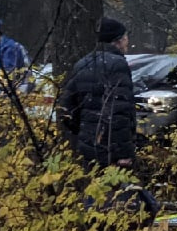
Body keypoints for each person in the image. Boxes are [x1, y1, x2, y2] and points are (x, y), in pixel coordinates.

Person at [58, 17, 137, 170]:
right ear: (118, 40)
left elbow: (66, 108)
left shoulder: (82, 63)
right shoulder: (118, 65)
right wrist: (124, 153)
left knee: (93, 190)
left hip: (87, 147)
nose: (127, 42)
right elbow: (120, 112)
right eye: (126, 37)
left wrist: (83, 131)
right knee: (118, 191)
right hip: (112, 151)